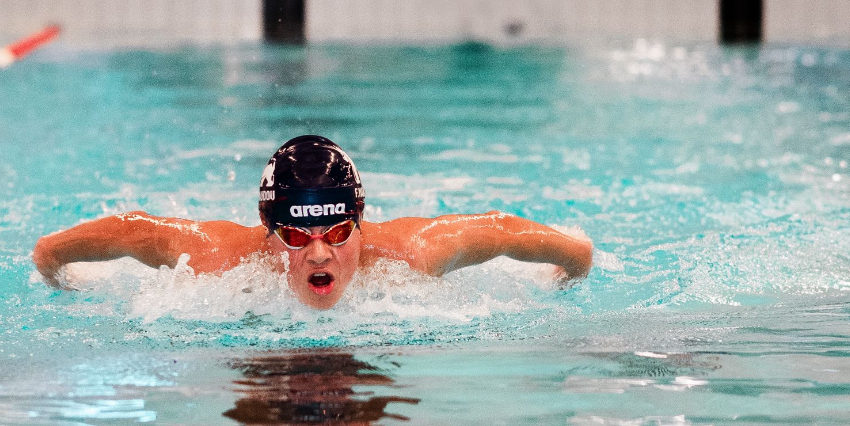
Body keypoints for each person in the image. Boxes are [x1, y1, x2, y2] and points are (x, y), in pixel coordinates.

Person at [32, 135, 593, 310]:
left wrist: (570, 266)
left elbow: (499, 231)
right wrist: (54, 264)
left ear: (360, 221)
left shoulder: (410, 254)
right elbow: (136, 231)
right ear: (269, 228)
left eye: (338, 233)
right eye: (298, 236)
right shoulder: (221, 259)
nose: (320, 255)